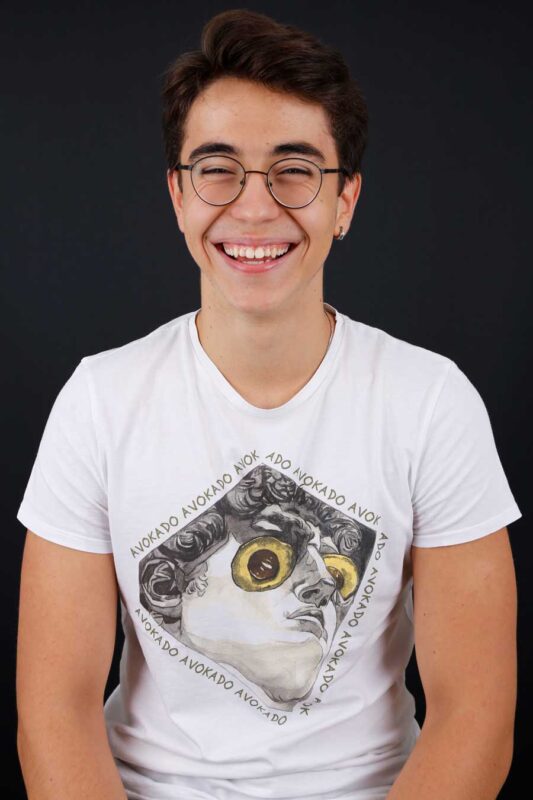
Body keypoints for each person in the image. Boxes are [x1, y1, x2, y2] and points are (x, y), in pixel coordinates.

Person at [16, 9, 521, 800]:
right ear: (178, 195)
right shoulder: (99, 402)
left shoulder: (430, 402)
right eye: (217, 169)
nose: (254, 209)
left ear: (344, 200)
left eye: (294, 170)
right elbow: (54, 712)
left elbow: (476, 714)